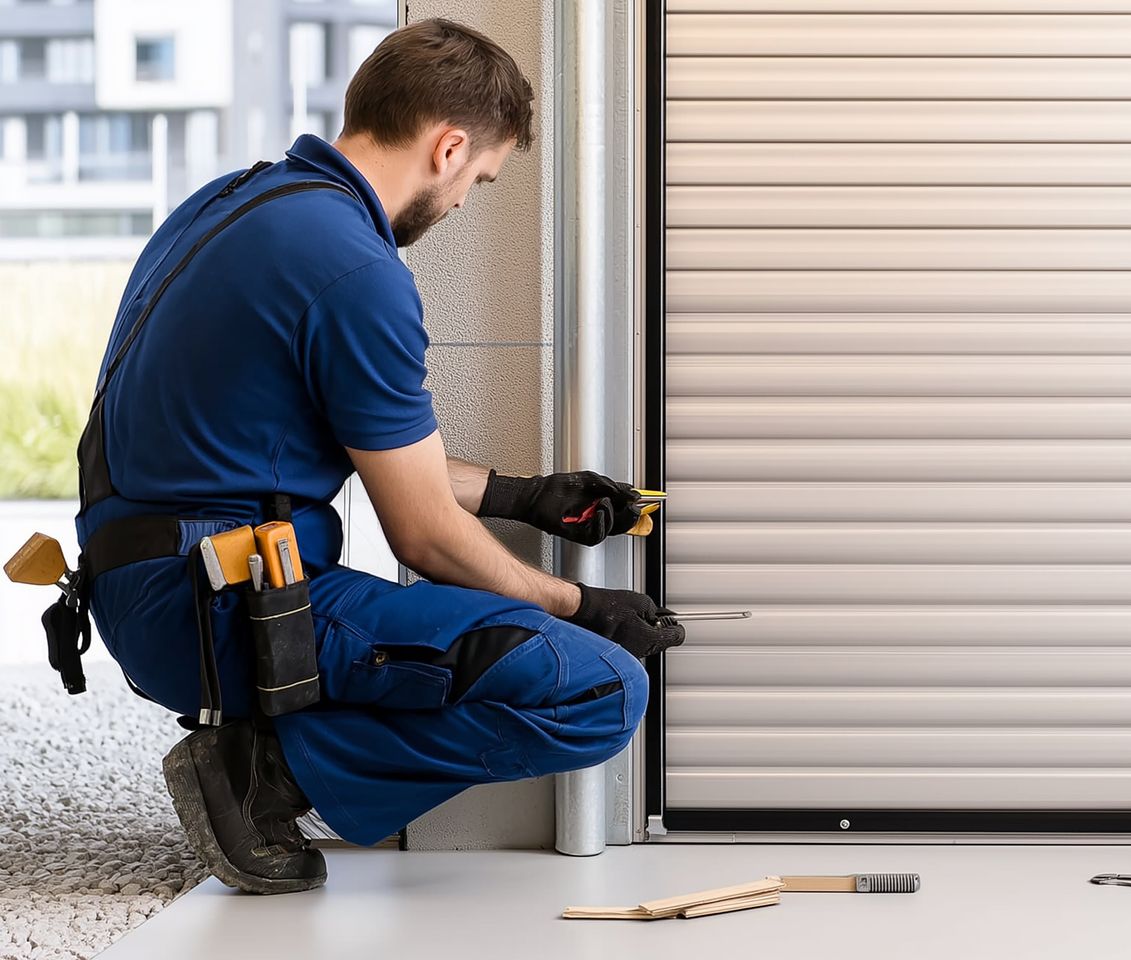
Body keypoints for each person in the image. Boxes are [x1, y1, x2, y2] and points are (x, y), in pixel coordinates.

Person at [73, 18, 681, 895]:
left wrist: (529, 496)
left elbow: (374, 453)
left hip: (154, 586)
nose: (468, 199)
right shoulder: (356, 269)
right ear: (449, 145)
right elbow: (423, 535)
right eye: (479, 177)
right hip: (218, 609)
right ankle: (260, 780)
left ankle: (260, 758)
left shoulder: (234, 205)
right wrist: (582, 606)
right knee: (602, 690)